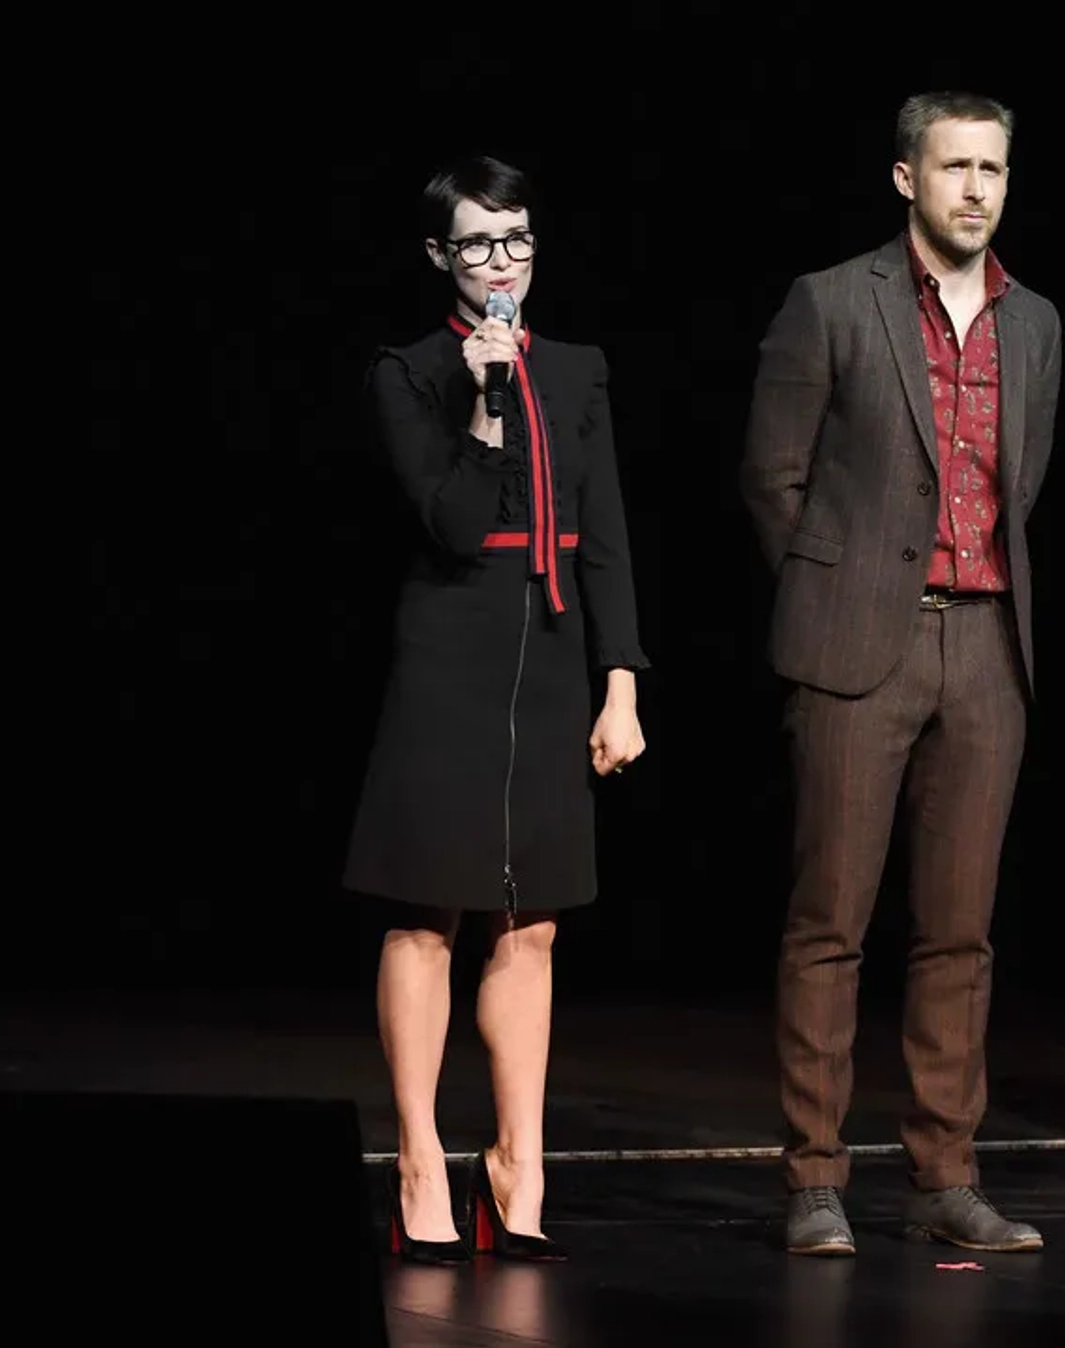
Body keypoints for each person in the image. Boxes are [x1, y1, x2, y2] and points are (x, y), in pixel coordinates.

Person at [740, 90, 1062, 1256]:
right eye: (955, 167)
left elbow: (1018, 488)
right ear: (905, 179)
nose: (976, 188)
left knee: (961, 933)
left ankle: (943, 1175)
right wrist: (839, 594)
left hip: (987, 646)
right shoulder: (832, 301)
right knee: (830, 923)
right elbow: (773, 478)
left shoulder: (1037, 325)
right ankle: (815, 1181)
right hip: (856, 645)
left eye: (993, 168)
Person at [343, 155, 649, 1264]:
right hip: (448, 652)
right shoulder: (409, 372)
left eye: (516, 239)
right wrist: (479, 400)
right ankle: (422, 1160)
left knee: (535, 921)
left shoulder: (577, 371)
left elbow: (606, 530)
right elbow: (456, 524)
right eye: (478, 244)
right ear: (440, 255)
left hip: (557, 651)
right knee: (428, 913)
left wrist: (622, 679)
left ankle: (518, 1163)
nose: (502, 262)